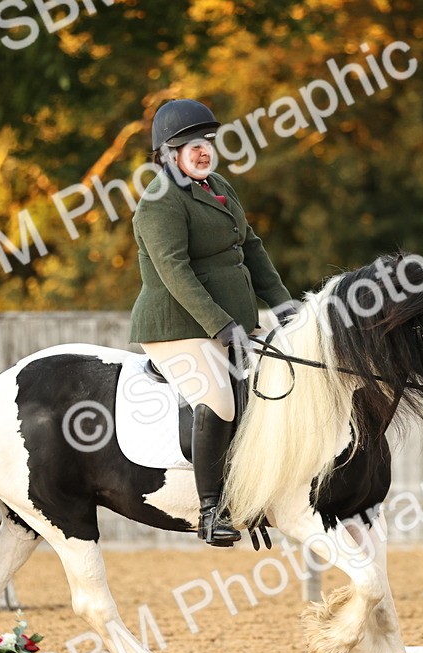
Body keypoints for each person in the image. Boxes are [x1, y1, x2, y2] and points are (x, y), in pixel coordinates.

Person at [130, 98, 297, 547]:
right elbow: (175, 272)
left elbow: (252, 247)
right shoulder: (159, 202)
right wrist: (221, 325)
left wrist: (282, 304)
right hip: (176, 326)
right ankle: (211, 510)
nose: (204, 151)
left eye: (207, 141)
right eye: (193, 145)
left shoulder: (218, 186)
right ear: (169, 155)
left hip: (229, 321)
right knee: (220, 399)